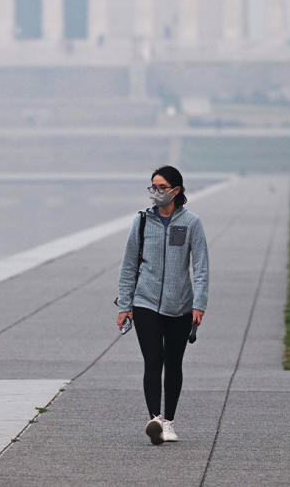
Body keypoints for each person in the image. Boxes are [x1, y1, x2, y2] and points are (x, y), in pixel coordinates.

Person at [115, 165, 209, 445]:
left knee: (173, 363)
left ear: (176, 190)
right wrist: (124, 304)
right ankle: (155, 419)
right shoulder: (142, 222)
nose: (156, 193)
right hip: (145, 303)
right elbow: (129, 264)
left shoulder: (192, 223)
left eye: (162, 188)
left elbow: (201, 267)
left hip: (180, 305)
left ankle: (169, 421)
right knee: (153, 360)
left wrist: (199, 304)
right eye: (153, 187)